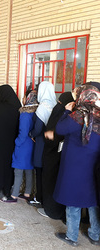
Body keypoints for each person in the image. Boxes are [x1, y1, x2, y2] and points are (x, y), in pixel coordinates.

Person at [54, 84, 100, 247]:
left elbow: (60, 128)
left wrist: (67, 110)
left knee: (73, 199)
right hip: (94, 165)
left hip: (75, 164)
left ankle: (72, 236)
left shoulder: (79, 115)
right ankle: (95, 234)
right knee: (94, 200)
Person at [40, 91, 74, 219]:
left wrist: (51, 136)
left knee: (50, 181)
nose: (58, 104)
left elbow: (53, 133)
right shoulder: (71, 116)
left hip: (52, 155)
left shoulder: (61, 113)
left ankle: (51, 210)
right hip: (62, 156)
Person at [29, 81, 57, 207]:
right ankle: (47, 199)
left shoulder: (42, 107)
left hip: (41, 142)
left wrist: (31, 134)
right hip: (52, 144)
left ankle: (39, 198)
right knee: (48, 173)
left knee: (39, 171)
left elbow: (38, 128)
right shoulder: (55, 105)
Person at [9, 90, 38, 202]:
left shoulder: (25, 114)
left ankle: (14, 195)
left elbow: (23, 132)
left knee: (18, 170)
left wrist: (17, 142)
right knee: (29, 170)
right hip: (32, 144)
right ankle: (27, 193)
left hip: (23, 145)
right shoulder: (37, 112)